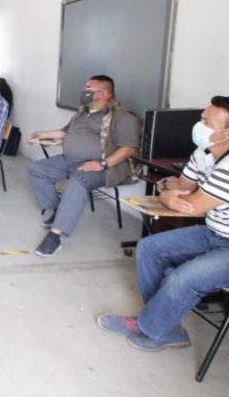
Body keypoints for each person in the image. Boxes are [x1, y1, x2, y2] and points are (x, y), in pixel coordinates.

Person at [98, 96, 229, 351]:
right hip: (213, 233)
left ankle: (147, 325)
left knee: (182, 279)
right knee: (149, 248)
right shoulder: (203, 153)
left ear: (226, 133)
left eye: (207, 123)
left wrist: (167, 195)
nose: (199, 126)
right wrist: (166, 188)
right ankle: (166, 329)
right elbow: (181, 186)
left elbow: (192, 205)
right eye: (201, 119)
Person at [26, 75, 141, 258]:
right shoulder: (83, 112)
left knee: (76, 183)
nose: (83, 92)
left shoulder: (122, 116)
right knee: (36, 169)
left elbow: (129, 148)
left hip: (101, 165)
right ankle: (58, 209)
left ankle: (54, 237)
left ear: (102, 94)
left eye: (88, 89)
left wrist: (101, 164)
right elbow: (64, 132)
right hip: (70, 159)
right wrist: (39, 134)